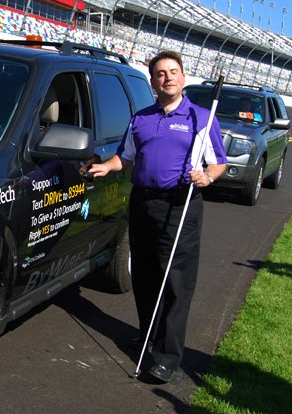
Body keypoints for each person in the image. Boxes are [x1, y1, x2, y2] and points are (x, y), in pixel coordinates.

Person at [81, 50, 227, 384]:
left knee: (175, 281)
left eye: (173, 71)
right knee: (145, 277)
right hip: (143, 203)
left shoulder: (200, 118)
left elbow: (218, 161)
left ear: (183, 77)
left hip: (180, 205)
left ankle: (167, 356)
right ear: (153, 81)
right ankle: (149, 336)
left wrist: (208, 177)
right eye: (161, 73)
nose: (168, 78)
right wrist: (107, 165)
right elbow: (126, 157)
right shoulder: (141, 118)